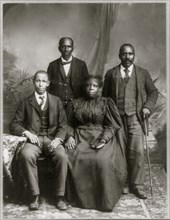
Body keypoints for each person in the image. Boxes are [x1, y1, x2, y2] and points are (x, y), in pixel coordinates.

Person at [102, 43, 158, 199]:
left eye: (130, 54)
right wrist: (108, 117)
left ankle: (137, 185)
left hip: (135, 117)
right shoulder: (111, 74)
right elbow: (105, 97)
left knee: (137, 152)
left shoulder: (142, 73)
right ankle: (123, 183)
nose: (127, 57)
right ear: (119, 56)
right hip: (117, 118)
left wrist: (147, 107)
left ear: (134, 55)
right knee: (119, 151)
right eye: (124, 54)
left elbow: (153, 92)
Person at [65, 75, 127, 212]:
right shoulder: (75, 103)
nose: (91, 88)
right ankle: (80, 198)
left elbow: (112, 125)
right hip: (79, 136)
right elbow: (67, 124)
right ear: (84, 87)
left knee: (102, 160)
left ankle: (103, 200)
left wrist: (104, 139)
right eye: (88, 85)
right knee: (74, 157)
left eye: (94, 86)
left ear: (99, 88)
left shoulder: (106, 102)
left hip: (101, 136)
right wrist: (69, 136)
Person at [9, 70, 68, 211]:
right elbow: (14, 124)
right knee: (26, 155)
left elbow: (63, 125)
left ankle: (60, 196)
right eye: (37, 81)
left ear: (48, 84)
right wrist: (27, 133)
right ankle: (34, 195)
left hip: (52, 138)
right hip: (34, 140)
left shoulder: (56, 101)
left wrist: (58, 139)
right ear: (33, 82)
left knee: (62, 156)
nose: (40, 84)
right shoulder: (25, 102)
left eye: (43, 81)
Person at [47, 37, 89, 110]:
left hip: (76, 106)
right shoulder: (52, 65)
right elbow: (47, 86)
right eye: (63, 46)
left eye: (69, 46)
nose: (66, 49)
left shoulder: (81, 64)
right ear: (59, 48)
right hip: (57, 106)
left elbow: (86, 85)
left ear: (72, 48)